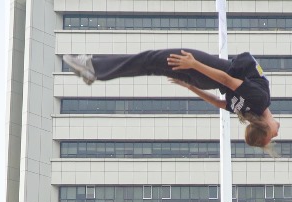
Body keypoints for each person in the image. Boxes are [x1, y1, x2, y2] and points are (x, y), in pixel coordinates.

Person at [62, 50, 280, 149]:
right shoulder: (249, 112)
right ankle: (94, 68)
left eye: (272, 136)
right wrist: (191, 87)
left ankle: (93, 67)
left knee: (151, 60)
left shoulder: (260, 101)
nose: (277, 132)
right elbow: (219, 103)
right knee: (150, 64)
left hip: (209, 71)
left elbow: (225, 79)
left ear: (266, 129)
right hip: (204, 78)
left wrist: (194, 65)